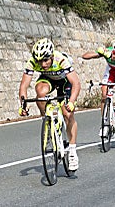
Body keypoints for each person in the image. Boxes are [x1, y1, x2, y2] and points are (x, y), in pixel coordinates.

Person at [18, 38, 80, 171]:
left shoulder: (61, 59)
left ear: (51, 56)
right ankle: (47, 121)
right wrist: (23, 105)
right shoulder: (33, 62)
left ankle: (73, 152)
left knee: (67, 113)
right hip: (48, 80)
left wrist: (72, 102)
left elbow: (76, 83)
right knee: (40, 93)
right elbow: (24, 85)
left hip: (65, 82)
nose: (43, 64)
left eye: (46, 60)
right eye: (39, 61)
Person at [82, 38, 115, 134]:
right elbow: (84, 56)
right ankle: (105, 123)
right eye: (114, 52)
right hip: (111, 71)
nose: (114, 55)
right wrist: (98, 53)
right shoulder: (108, 52)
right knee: (104, 94)